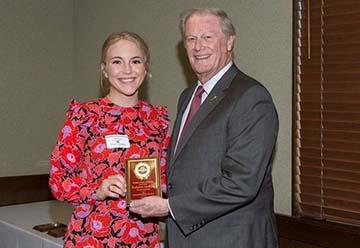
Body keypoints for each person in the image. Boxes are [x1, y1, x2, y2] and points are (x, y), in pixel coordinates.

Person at [129, 8, 279, 248]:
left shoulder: (251, 97)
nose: (198, 46)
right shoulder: (188, 96)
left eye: (207, 37)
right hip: (185, 238)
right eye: (191, 39)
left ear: (230, 41)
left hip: (231, 240)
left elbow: (241, 182)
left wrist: (170, 207)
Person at [49, 31, 170, 248]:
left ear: (146, 68)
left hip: (142, 239)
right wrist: (98, 190)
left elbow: (168, 178)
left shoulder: (157, 120)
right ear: (104, 70)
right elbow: (58, 182)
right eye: (117, 61)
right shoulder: (84, 116)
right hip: (92, 238)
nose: (127, 70)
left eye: (135, 61)